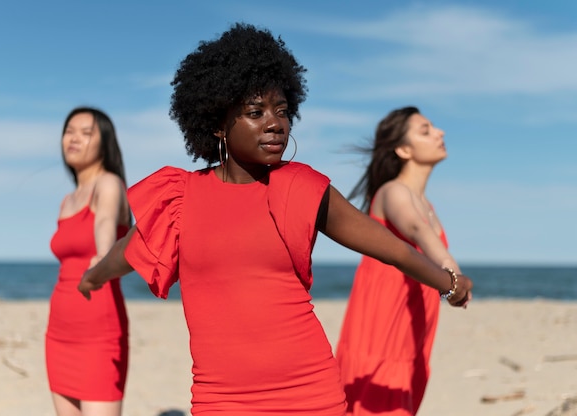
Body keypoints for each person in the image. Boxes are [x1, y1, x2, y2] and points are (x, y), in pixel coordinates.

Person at [78, 24, 472, 416]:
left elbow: (395, 251)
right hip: (221, 398)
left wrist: (451, 283)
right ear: (217, 122)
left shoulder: (301, 187)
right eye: (255, 112)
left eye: (282, 111)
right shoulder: (179, 198)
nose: (275, 123)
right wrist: (93, 277)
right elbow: (126, 254)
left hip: (310, 392)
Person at [335, 106, 469, 416]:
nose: (440, 133)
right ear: (403, 149)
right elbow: (418, 231)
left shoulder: (426, 202)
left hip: (413, 332)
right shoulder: (393, 192)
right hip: (383, 331)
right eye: (425, 130)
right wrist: (455, 277)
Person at [46, 107, 131, 416]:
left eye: (86, 133)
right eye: (69, 131)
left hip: (99, 330)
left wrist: (102, 257)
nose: (74, 138)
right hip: (59, 331)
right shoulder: (67, 200)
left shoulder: (108, 184)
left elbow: (105, 223)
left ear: (104, 142)